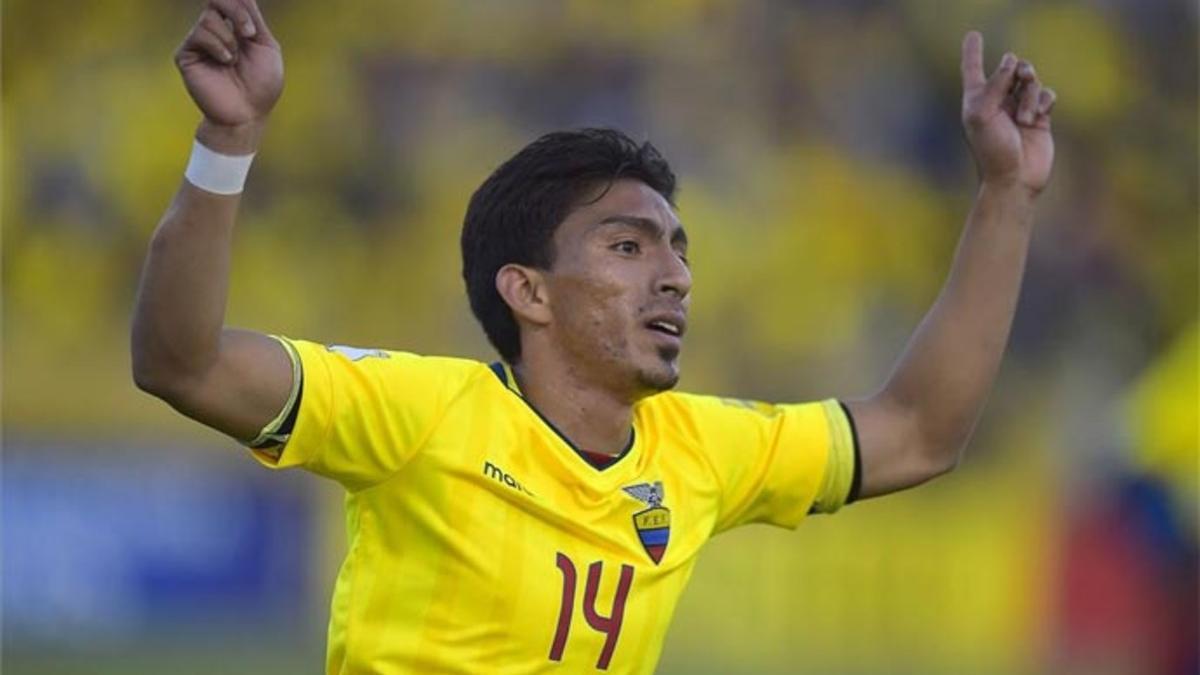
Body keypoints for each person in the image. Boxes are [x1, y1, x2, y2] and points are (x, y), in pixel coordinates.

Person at [131, 0, 1057, 672]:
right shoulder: (419, 413)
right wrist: (228, 139)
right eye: (627, 245)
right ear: (528, 291)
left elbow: (919, 431)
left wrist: (1008, 196)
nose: (676, 275)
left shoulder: (700, 449)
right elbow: (183, 363)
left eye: (677, 248)